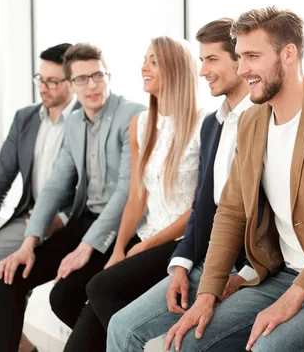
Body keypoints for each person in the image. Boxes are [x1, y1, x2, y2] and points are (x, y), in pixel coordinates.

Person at [163, 6, 304, 352]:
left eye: (252, 56)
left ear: (289, 54)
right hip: (277, 274)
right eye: (239, 56)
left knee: (265, 348)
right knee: (187, 341)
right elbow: (232, 211)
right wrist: (207, 293)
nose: (242, 68)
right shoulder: (251, 122)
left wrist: (295, 296)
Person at [106, 18, 255, 352]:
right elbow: (203, 206)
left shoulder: (261, 121)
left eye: (211, 60)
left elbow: (260, 218)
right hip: (204, 256)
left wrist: (241, 276)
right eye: (201, 61)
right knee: (120, 327)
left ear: (241, 62)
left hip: (243, 264)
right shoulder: (213, 125)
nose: (202, 72)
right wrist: (181, 265)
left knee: (183, 342)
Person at [0, 43, 145, 352]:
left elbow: (127, 191)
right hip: (87, 219)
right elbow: (56, 184)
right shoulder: (75, 122)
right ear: (71, 84)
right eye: (82, 79)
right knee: (11, 275)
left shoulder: (133, 114)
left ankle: (104, 343)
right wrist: (28, 244)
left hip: (127, 227)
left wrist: (86, 247)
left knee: (63, 297)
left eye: (97, 76)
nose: (92, 86)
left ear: (109, 76)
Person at [62, 35, 206, 352]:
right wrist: (120, 249)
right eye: (144, 60)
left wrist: (145, 247)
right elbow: (136, 198)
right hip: (147, 235)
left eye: (153, 62)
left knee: (99, 287)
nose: (144, 68)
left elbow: (200, 207)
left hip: (182, 242)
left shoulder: (203, 124)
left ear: (175, 69)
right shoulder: (140, 124)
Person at [0, 43, 78, 352]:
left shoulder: (86, 119)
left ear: (71, 82)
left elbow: (92, 189)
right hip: (28, 218)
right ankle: (20, 345)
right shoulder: (25, 119)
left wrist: (60, 219)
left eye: (53, 81)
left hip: (68, 222)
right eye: (41, 79)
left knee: (11, 279)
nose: (44, 87)